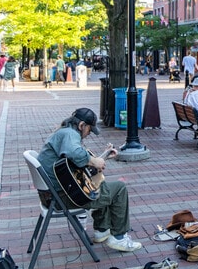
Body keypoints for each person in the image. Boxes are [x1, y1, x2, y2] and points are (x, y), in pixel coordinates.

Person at [37, 108, 143, 252]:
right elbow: (75, 153)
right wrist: (94, 161)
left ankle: (102, 230)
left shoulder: (62, 132)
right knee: (119, 188)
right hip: (63, 198)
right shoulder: (70, 134)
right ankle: (119, 238)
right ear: (81, 125)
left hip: (53, 195)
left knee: (101, 184)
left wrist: (102, 157)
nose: (88, 134)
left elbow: (74, 167)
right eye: (89, 130)